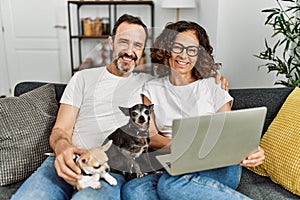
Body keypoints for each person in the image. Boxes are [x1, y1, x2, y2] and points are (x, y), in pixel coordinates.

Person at [11, 15, 228, 200]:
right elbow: (61, 130)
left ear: (143, 50)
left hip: (110, 167)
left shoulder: (149, 84)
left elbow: (182, 80)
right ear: (110, 43)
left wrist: (214, 78)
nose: (130, 51)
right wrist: (62, 149)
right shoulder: (82, 78)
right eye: (124, 42)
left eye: (137, 45)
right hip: (68, 158)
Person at [141, 21, 265, 200]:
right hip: (176, 162)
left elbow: (230, 131)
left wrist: (252, 150)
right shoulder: (151, 88)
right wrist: (183, 148)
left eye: (192, 50)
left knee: (169, 186)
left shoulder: (213, 85)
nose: (184, 55)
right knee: (134, 190)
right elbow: (151, 138)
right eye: (178, 47)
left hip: (217, 166)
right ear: (167, 49)